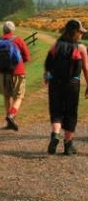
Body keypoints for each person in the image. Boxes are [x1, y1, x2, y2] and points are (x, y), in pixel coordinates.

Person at [44, 19, 88, 155]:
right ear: (75, 32)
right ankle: (68, 145)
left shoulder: (55, 46)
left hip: (55, 83)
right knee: (70, 113)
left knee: (56, 110)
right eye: (80, 32)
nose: (81, 34)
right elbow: (86, 68)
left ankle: (55, 135)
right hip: (72, 84)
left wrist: (47, 80)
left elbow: (47, 66)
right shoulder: (80, 48)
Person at [0, 21, 30, 131]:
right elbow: (27, 56)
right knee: (19, 96)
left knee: (7, 96)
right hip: (17, 72)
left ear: (3, 30)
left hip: (2, 73)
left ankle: (9, 122)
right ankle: (11, 115)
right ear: (13, 30)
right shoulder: (18, 40)